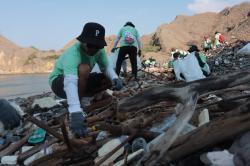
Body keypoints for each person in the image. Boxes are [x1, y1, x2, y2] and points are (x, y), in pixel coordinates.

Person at [48, 22, 122, 137]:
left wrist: (115, 78)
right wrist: (75, 111)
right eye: (90, 45)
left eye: (97, 46)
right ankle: (78, 104)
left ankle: (86, 99)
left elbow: (105, 67)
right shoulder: (73, 53)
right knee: (84, 68)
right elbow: (70, 81)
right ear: (83, 41)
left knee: (108, 77)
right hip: (59, 83)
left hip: (79, 81)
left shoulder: (99, 51)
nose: (93, 49)